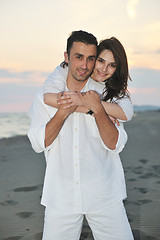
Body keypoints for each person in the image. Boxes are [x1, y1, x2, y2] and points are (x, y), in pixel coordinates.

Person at [28, 30, 134, 240]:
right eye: (78, 57)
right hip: (61, 198)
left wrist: (97, 109)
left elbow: (115, 145)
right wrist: (65, 111)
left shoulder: (106, 95)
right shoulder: (46, 94)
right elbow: (39, 143)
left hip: (105, 195)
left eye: (90, 59)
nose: (85, 65)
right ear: (66, 58)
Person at [42, 37, 134, 122]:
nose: (104, 69)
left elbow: (127, 114)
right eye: (101, 61)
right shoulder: (67, 70)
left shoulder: (113, 87)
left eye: (112, 65)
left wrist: (83, 101)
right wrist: (95, 111)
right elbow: (48, 98)